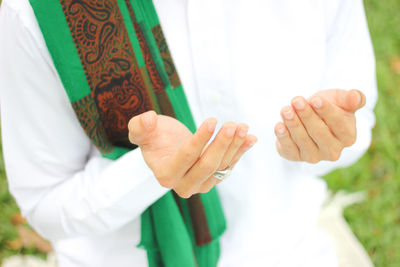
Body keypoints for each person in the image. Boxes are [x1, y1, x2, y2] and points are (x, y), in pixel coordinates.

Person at [0, 0, 377, 266]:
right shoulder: (38, 13)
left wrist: (323, 142)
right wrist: (148, 172)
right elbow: (45, 203)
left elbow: (358, 123)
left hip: (287, 251)